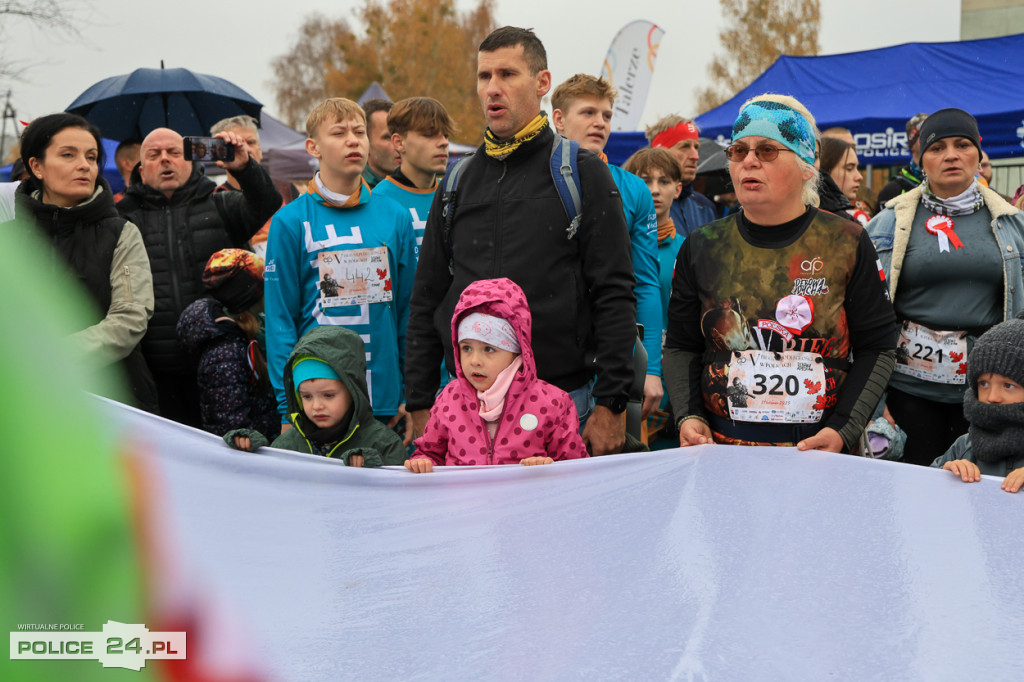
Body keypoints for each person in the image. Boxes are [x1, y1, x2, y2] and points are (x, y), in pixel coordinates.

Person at [405, 26, 637, 456]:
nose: (493, 88)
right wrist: (419, 399)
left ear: (542, 82)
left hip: (566, 405)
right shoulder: (457, 180)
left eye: (508, 74)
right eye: (484, 76)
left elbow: (615, 293)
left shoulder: (582, 173)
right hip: (464, 414)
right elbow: (427, 297)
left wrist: (612, 403)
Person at [663, 94, 898, 452]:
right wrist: (689, 415)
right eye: (739, 151)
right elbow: (682, 346)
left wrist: (842, 429)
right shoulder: (702, 245)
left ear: (806, 165)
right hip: (724, 451)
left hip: (817, 451)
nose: (750, 161)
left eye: (768, 150)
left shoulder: (847, 241)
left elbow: (878, 348)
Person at [866, 107, 1024, 466]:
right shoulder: (885, 225)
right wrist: (875, 403)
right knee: (910, 501)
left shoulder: (1013, 225)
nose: (950, 155)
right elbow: (863, 317)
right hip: (905, 392)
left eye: (962, 144)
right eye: (937, 148)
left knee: (975, 498)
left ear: (979, 154)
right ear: (921, 159)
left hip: (986, 397)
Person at [263, 97, 416, 441]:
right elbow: (280, 321)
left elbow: (409, 313)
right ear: (312, 147)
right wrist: (288, 406)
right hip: (319, 408)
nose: (353, 140)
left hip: (385, 406)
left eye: (360, 132)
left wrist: (412, 394)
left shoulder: (395, 216)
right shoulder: (290, 222)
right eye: (339, 132)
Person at [117, 126, 281, 426]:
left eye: (175, 153)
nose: (165, 160)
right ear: (141, 171)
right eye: (154, 155)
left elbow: (266, 203)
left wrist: (244, 168)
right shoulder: (123, 219)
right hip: (155, 371)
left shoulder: (220, 203)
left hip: (224, 365)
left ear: (192, 161)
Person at [7, 112, 156, 410]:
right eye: (67, 155)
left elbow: (129, 319)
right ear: (36, 166)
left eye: (91, 156)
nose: (84, 166)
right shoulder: (8, 239)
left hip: (111, 400)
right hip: (23, 403)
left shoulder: (121, 233)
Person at [551, 73, 662, 419]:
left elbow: (644, 282)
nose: (600, 122)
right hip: (550, 359)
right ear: (559, 120)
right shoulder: (534, 182)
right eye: (588, 113)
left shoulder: (634, 189)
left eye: (607, 115)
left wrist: (653, 369)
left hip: (614, 358)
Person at [405, 278, 587, 472]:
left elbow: (576, 470)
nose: (475, 360)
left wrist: (548, 468)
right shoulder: (449, 400)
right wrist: (422, 462)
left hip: (529, 501)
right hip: (464, 502)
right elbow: (430, 453)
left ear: (518, 351)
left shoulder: (553, 404)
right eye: (466, 348)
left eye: (489, 349)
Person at [227, 326, 406, 466]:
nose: (317, 406)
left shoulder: (384, 444)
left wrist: (376, 467)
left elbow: (399, 497)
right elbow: (267, 486)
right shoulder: (287, 445)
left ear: (353, 392)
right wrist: (252, 453)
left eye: (328, 395)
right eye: (307, 397)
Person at [176, 248, 278, 440]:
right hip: (255, 459)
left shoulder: (256, 332)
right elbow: (231, 425)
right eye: (265, 285)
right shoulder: (226, 353)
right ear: (250, 295)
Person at [931, 312, 1024, 492]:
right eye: (984, 384)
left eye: (1008, 385)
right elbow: (924, 492)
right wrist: (946, 474)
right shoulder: (965, 446)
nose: (992, 397)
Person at [372, 96, 455, 260]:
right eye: (429, 134)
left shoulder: (453, 194)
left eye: (445, 135)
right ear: (399, 142)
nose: (444, 142)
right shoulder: (378, 202)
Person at [210, 115, 298, 260]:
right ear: (219, 154)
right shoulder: (215, 199)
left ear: (260, 150)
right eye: (234, 144)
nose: (245, 149)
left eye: (250, 142)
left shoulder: (286, 188)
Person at [645, 115, 717, 239]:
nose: (695, 156)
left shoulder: (706, 207)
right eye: (684, 147)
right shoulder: (642, 204)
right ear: (660, 152)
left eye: (696, 147)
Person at [876, 113, 928, 207]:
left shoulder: (946, 182)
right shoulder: (893, 189)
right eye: (924, 135)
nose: (930, 139)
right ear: (912, 143)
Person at [819, 137, 867, 224]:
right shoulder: (840, 223)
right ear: (825, 171)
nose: (859, 177)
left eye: (857, 168)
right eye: (849, 168)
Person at [361, 98, 400, 190]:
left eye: (401, 136)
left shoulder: (424, 188)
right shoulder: (354, 194)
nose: (399, 146)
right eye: (388, 137)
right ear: (366, 144)